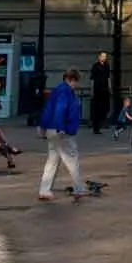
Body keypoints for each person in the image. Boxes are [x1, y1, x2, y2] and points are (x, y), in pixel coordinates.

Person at [37, 67, 86, 202]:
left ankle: (45, 190)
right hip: (62, 130)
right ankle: (78, 188)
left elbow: (48, 110)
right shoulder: (66, 91)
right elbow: (61, 109)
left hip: (52, 129)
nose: (77, 85)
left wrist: (42, 126)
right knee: (71, 158)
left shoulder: (58, 90)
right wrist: (61, 127)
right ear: (71, 79)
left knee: (53, 160)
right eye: (76, 81)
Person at [89, 51, 112, 134]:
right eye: (102, 56)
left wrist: (110, 88)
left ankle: (102, 122)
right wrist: (92, 91)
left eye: (105, 56)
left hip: (105, 90)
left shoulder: (107, 65)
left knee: (105, 107)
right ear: (99, 57)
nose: (104, 58)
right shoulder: (95, 66)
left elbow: (108, 77)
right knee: (97, 109)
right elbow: (92, 79)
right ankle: (96, 127)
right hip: (97, 90)